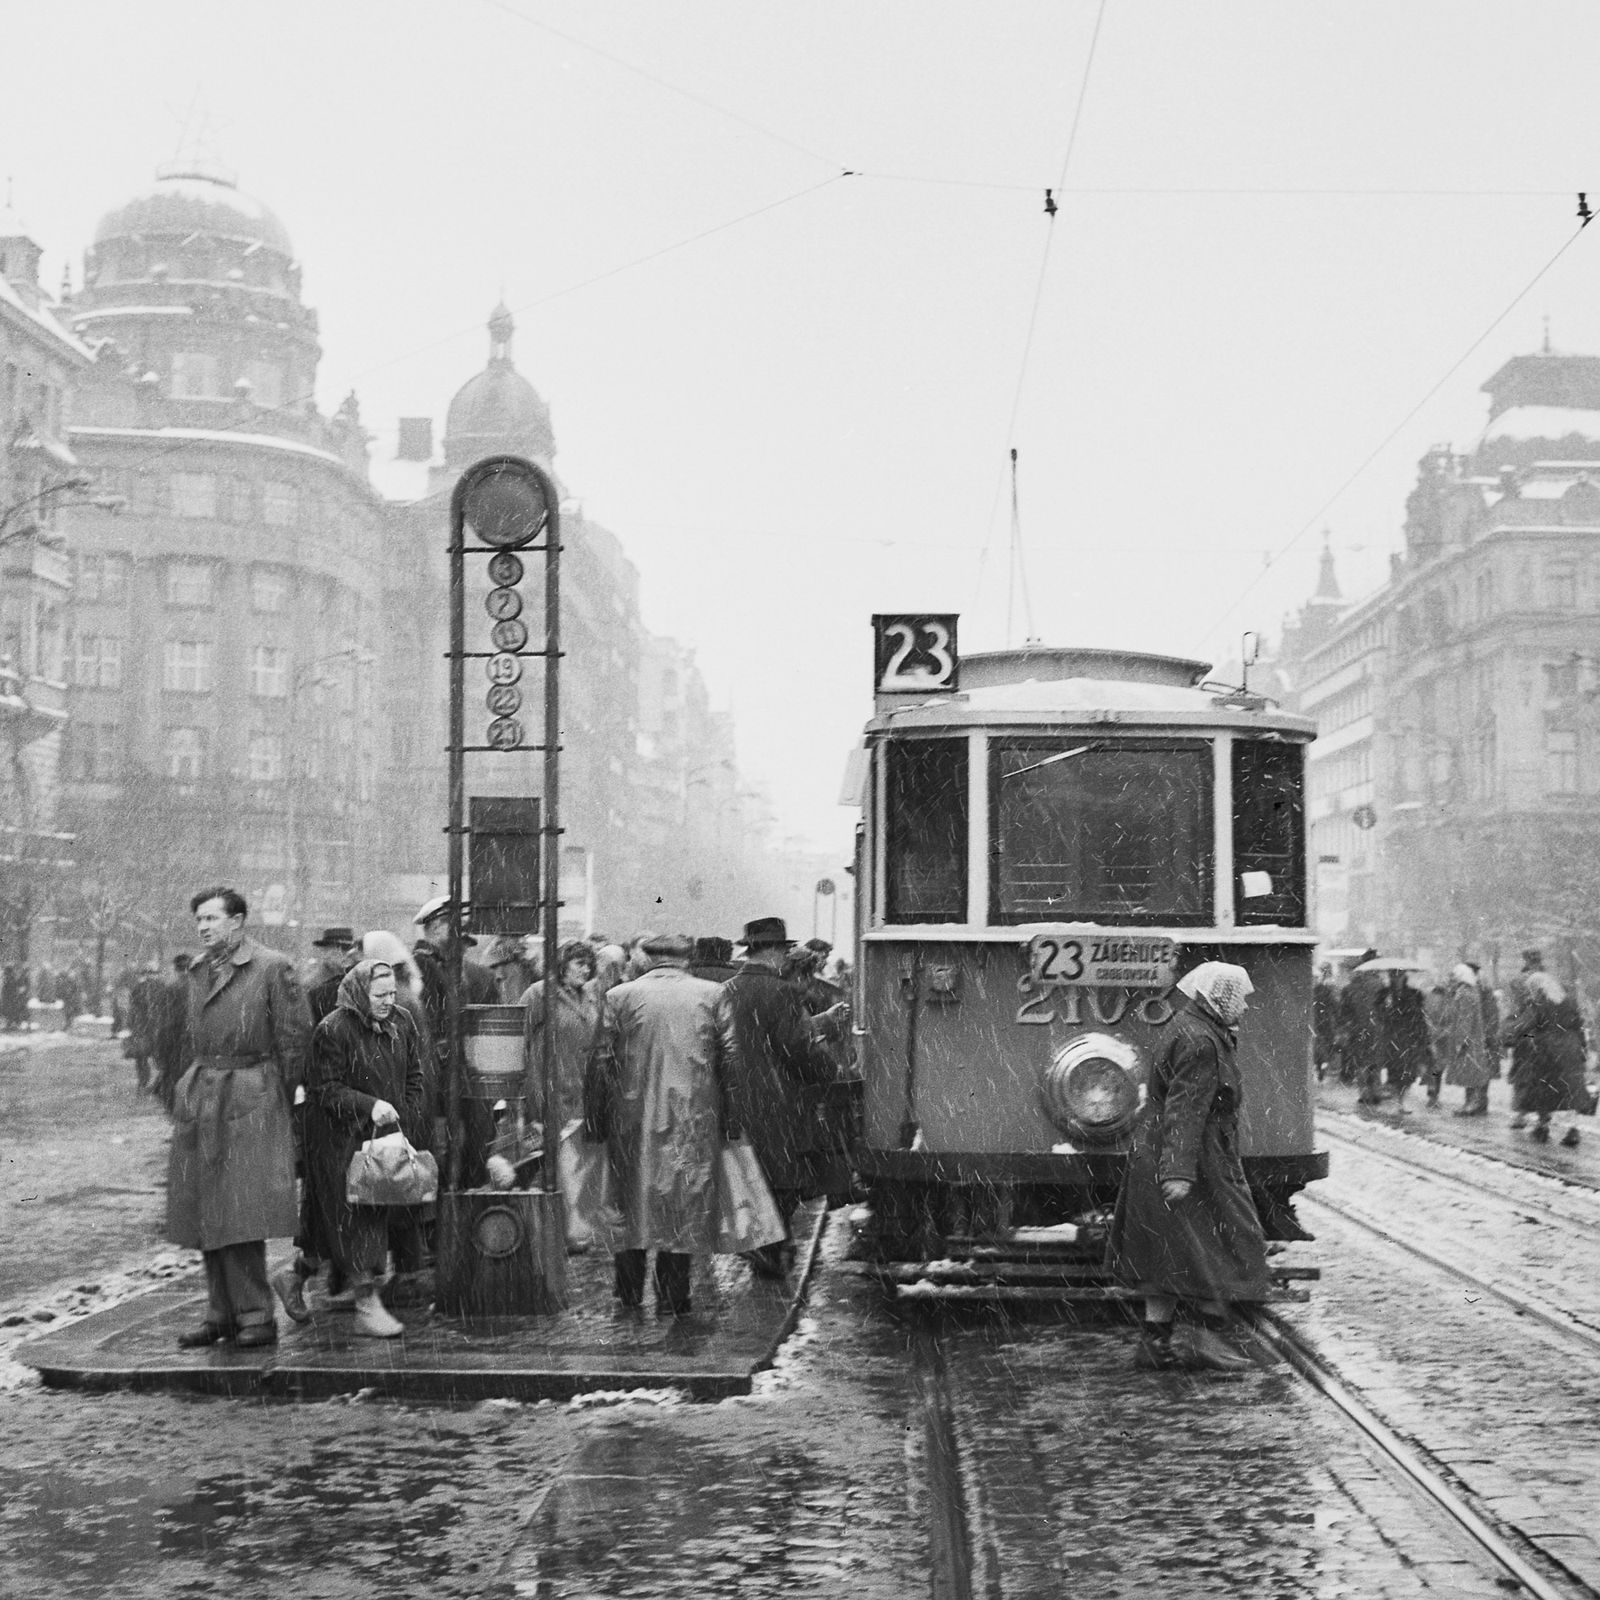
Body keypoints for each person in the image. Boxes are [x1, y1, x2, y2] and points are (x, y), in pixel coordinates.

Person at [1107, 961, 1268, 1373]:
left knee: (1168, 1257)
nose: (1246, 1008)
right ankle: (1205, 1340)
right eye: (1241, 999)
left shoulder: (1189, 1026)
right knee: (1226, 1244)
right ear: (1221, 998)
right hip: (1194, 1159)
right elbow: (1187, 1110)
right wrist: (1178, 1172)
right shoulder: (1201, 1041)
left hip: (1164, 1153)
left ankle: (1155, 1344)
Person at [167, 887, 310, 1349]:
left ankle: (255, 1315)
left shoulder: (272, 967)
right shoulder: (197, 971)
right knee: (204, 1207)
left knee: (241, 1210)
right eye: (199, 920)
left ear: (239, 921)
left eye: (212, 918)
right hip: (204, 1093)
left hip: (251, 1094)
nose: (204, 927)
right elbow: (188, 1038)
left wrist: (279, 1099)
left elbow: (295, 1040)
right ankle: (220, 1314)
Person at [583, 932, 731, 1316]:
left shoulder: (619, 997)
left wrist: (596, 1120)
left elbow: (600, 1062)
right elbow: (732, 1061)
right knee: (680, 1208)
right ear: (687, 958)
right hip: (692, 1118)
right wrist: (731, 1119)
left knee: (629, 1204)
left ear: (647, 958)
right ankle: (674, 1293)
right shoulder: (713, 995)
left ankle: (629, 1291)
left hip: (629, 1117)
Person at [286, 959, 426, 1338]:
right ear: (360, 993)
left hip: (384, 1137)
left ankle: (293, 1277)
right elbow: (325, 1089)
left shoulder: (400, 1023)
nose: (386, 1002)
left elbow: (414, 1075)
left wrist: (405, 1118)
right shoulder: (333, 1030)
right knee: (358, 1220)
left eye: (392, 994)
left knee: (344, 1220)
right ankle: (367, 1305)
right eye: (378, 995)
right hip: (336, 1140)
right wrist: (369, 1106)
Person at [718, 917, 842, 1277]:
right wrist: (827, 1072)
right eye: (785, 951)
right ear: (774, 952)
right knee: (781, 1181)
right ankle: (770, 1254)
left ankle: (765, 1249)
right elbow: (797, 1047)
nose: (787, 958)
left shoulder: (726, 990)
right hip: (776, 1100)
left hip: (735, 1097)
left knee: (748, 1175)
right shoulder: (780, 992)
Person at [410, 895, 497, 1185]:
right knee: (446, 1154)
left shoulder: (448, 970)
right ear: (436, 927)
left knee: (455, 1153)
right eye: (455, 925)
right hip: (443, 1078)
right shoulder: (424, 968)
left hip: (454, 1078)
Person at [520, 939, 601, 1131]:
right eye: (580, 964)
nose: (586, 970)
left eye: (589, 965)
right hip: (549, 1090)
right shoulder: (538, 994)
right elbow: (520, 1042)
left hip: (581, 1091)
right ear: (563, 965)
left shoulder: (590, 996)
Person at [1505, 968, 1589, 1147]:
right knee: (1570, 1090)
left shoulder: (1539, 1002)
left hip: (1548, 1049)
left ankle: (1543, 1126)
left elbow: (1526, 1024)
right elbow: (1579, 1023)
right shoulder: (1568, 1000)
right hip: (1570, 1047)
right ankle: (1573, 1129)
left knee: (1544, 1087)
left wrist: (1513, 1033)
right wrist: (1582, 1047)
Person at [1440, 963, 1493, 1116]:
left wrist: (1461, 1040)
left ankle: (1470, 1104)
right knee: (1471, 1074)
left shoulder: (1464, 994)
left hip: (1468, 1042)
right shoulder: (1469, 992)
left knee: (1470, 1074)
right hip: (1473, 1040)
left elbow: (1465, 1019)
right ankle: (1470, 1103)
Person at [1375, 970, 1432, 1111]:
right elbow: (1378, 1014)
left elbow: (1419, 1016)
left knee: (1408, 1072)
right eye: (1393, 976)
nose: (1396, 979)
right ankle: (1398, 1101)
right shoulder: (1384, 994)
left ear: (1404, 977)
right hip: (1392, 1038)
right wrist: (1386, 1007)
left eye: (1399, 976)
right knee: (1394, 1071)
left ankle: (1401, 1100)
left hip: (1409, 1037)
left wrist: (1422, 1037)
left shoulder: (1414, 994)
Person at [1338, 951, 1385, 1100]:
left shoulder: (1351, 986)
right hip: (1377, 1028)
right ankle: (1375, 1090)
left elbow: (1344, 1011)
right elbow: (1384, 1009)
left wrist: (1348, 1026)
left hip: (1357, 1029)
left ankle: (1364, 1091)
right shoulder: (1380, 985)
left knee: (1361, 1061)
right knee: (1375, 1061)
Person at [152, 954, 193, 1113]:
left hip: (177, 1043)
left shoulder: (171, 989)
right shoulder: (205, 987)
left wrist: (160, 1049)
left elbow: (164, 1021)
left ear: (176, 969)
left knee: (174, 1083)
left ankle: (182, 1124)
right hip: (199, 1044)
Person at [305, 927, 360, 1025]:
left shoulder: (356, 980)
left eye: (347, 949)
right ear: (326, 951)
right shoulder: (313, 984)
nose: (344, 954)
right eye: (340, 948)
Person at [1312, 963, 1338, 1082]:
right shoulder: (1327, 990)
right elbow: (1334, 1006)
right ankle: (1322, 1066)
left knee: (1318, 1045)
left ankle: (1319, 1065)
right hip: (1326, 1021)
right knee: (1325, 1046)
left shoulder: (1313, 991)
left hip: (1315, 1021)